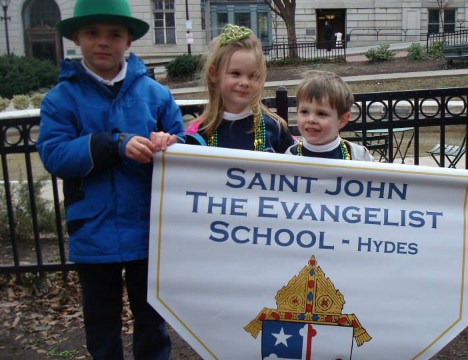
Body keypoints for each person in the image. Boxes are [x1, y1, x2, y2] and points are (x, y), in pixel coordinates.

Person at [36, 0, 185, 358]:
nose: (103, 42)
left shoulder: (156, 94)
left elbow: (183, 144)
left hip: (148, 228)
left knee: (152, 321)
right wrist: (112, 144)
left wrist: (171, 143)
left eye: (114, 34)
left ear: (129, 41)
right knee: (101, 323)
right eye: (92, 33)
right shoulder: (61, 99)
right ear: (76, 37)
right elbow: (54, 154)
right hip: (93, 231)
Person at [185, 24, 294, 153]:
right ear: (214, 74)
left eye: (253, 76)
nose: (244, 82)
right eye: (235, 73)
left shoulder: (276, 128)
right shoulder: (196, 134)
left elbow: (304, 161)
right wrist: (163, 143)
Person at [285, 70, 374, 161]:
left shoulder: (360, 157)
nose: (311, 119)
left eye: (321, 113)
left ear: (342, 120)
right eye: (304, 112)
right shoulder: (288, 158)